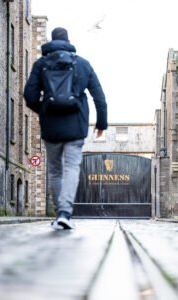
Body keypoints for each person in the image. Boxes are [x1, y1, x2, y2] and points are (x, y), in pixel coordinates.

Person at [24, 27, 107, 230]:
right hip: (76, 125)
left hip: (51, 126)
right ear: (69, 41)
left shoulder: (41, 64)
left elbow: (29, 95)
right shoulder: (82, 64)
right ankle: (65, 213)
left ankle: (59, 212)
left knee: (54, 171)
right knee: (71, 168)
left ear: (51, 42)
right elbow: (99, 97)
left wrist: (44, 110)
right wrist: (101, 124)